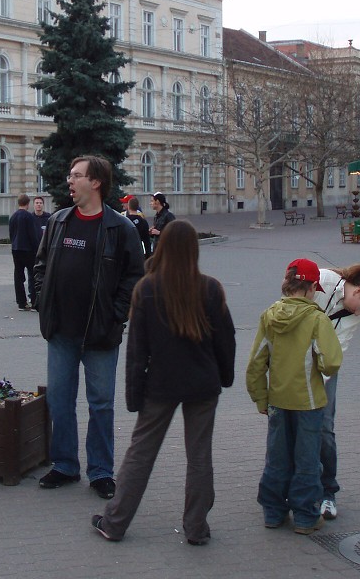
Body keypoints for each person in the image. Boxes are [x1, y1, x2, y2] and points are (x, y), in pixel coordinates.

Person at [91, 220, 236, 545]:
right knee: (200, 457)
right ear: (194, 250)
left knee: (140, 454)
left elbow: (137, 351)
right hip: (202, 383)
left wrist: (133, 395)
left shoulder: (147, 288)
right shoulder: (210, 288)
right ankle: (196, 528)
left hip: (160, 384)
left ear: (163, 247)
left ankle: (114, 523)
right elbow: (226, 340)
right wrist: (224, 376)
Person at [33, 155, 146, 500]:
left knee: (100, 404)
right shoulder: (58, 222)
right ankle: (65, 465)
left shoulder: (119, 228)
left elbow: (134, 277)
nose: (70, 181)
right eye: (70, 175)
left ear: (95, 182)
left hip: (99, 334)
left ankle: (100, 471)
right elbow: (40, 266)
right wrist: (42, 300)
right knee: (60, 400)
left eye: (76, 175)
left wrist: (116, 314)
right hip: (61, 331)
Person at [246, 258, 342, 535]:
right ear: (312, 287)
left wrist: (260, 398)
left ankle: (273, 511)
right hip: (309, 402)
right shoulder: (316, 319)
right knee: (307, 459)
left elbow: (255, 363)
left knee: (277, 457)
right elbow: (330, 362)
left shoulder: (269, 316)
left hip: (277, 400)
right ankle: (305, 516)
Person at [312, 264, 360, 520]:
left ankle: (328, 492)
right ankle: (292, 486)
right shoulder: (322, 280)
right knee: (288, 424)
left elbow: (338, 347)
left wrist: (317, 385)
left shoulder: (355, 314)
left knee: (324, 427)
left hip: (325, 368)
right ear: (357, 292)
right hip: (293, 364)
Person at [8, 194, 41, 311]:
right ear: (28, 204)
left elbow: (11, 234)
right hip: (28, 249)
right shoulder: (28, 217)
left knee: (18, 275)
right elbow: (33, 235)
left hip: (16, 249)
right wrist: (38, 249)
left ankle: (21, 303)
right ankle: (34, 301)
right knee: (33, 275)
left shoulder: (13, 217)